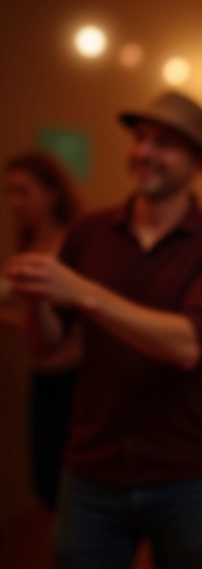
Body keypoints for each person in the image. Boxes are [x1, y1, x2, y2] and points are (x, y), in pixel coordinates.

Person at [3, 91, 202, 569]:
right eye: (140, 138)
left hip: (186, 472)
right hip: (92, 468)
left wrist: (83, 293)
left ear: (198, 162)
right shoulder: (89, 232)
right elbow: (45, 346)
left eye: (165, 143)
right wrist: (36, 300)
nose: (145, 152)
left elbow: (188, 344)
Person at [1, 152, 83, 510]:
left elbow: (68, 325)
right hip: (43, 377)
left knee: (73, 483)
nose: (13, 203)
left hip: (77, 379)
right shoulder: (26, 245)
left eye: (23, 192)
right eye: (8, 193)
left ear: (52, 194)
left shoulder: (72, 243)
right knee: (48, 482)